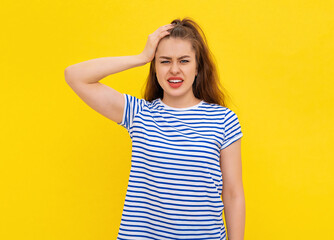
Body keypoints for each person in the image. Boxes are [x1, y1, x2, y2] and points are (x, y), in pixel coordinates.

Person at [64, 17, 245, 240]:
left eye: (184, 61)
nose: (174, 70)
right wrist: (141, 57)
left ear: (198, 67)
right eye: (165, 61)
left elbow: (233, 193)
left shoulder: (223, 119)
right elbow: (75, 76)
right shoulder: (138, 113)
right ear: (154, 67)